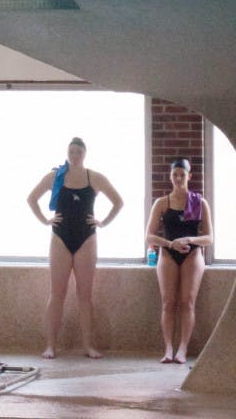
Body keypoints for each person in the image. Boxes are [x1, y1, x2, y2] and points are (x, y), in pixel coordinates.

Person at [27, 136, 124, 359]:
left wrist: (103, 222)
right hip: (60, 238)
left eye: (78, 152)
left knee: (85, 296)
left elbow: (118, 201)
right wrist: (45, 220)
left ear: (84, 154)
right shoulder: (55, 176)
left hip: (86, 239)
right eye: (71, 152)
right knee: (56, 293)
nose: (74, 156)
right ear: (67, 153)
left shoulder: (95, 178)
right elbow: (31, 198)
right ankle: (50, 345)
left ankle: (88, 345)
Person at [145, 157, 213, 364]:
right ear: (170, 176)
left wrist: (190, 239)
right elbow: (148, 236)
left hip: (192, 254)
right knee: (168, 302)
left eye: (182, 174)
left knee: (187, 302)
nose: (178, 178)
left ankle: (182, 348)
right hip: (168, 253)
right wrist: (169, 243)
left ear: (189, 176)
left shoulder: (199, 202)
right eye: (175, 174)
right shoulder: (162, 203)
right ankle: (168, 348)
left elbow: (209, 238)